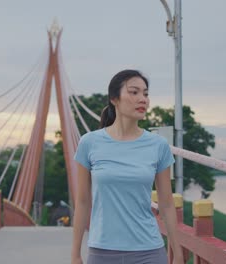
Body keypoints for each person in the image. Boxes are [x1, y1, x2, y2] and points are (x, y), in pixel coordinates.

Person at [71, 69, 184, 264]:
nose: (143, 99)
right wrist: (75, 255)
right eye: (134, 92)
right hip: (102, 252)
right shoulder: (89, 143)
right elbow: (82, 202)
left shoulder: (158, 145)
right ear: (114, 98)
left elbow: (166, 204)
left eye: (146, 94)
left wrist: (178, 254)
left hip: (149, 251)